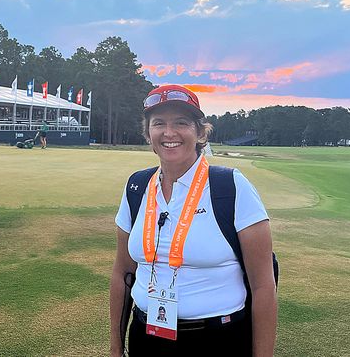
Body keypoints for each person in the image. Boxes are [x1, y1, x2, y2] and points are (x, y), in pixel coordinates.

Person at [110, 84, 277, 356]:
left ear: (200, 132)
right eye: (158, 123)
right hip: (146, 336)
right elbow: (123, 273)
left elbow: (263, 286)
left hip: (217, 340)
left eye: (181, 122)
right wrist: (116, 347)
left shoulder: (231, 186)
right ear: (148, 133)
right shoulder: (137, 187)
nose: (169, 132)